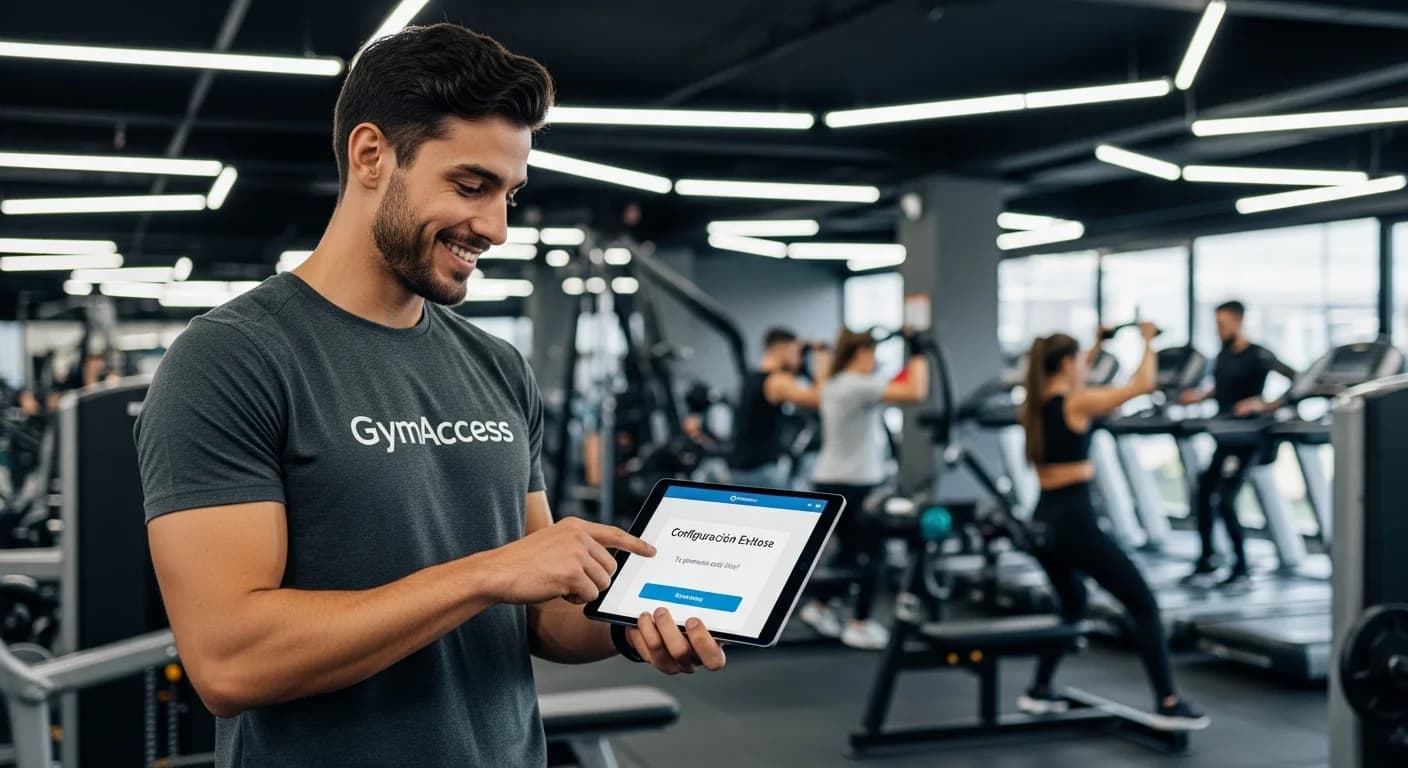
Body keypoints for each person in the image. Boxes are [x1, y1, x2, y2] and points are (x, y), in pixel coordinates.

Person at [134, 24, 725, 768]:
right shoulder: (232, 359)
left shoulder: (496, 366)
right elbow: (229, 661)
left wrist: (627, 624)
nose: (496, 228)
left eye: (510, 194)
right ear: (372, 156)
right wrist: (483, 573)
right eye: (471, 186)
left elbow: (539, 614)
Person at [1017, 324, 1209, 731]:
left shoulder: (1033, 403)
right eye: (1080, 361)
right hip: (1074, 520)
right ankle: (1169, 701)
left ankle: (1037, 688)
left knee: (1072, 603)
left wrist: (1100, 344)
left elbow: (1078, 369)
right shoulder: (1077, 402)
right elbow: (1143, 384)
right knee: (1143, 605)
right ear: (1067, 364)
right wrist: (1149, 340)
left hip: (1043, 518)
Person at [801, 329, 928, 650]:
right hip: (855, 484)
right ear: (860, 354)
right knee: (875, 553)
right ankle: (860, 622)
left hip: (832, 478)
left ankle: (819, 606)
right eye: (871, 354)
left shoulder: (834, 382)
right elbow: (915, 392)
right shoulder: (856, 385)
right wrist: (918, 351)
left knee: (847, 550)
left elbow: (894, 383)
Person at [1178, 300, 1296, 588]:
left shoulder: (1260, 355)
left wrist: (1265, 403)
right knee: (1203, 491)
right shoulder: (1222, 355)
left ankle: (1241, 566)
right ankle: (1208, 558)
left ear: (1239, 321)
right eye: (1217, 324)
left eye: (1223, 324)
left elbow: (1299, 380)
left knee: (1226, 498)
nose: (1219, 330)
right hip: (1225, 435)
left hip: (1249, 438)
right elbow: (1223, 387)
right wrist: (1202, 396)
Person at [728, 328, 830, 487]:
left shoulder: (752, 378)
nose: (800, 359)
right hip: (762, 472)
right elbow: (819, 399)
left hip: (741, 468)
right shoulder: (777, 381)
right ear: (783, 350)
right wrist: (822, 359)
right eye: (796, 351)